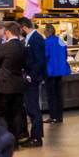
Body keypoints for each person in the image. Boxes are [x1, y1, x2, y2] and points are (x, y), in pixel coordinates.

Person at [0, 21, 27, 141]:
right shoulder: (23, 46)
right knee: (16, 114)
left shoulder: (4, 47)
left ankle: (5, 140)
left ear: (8, 32)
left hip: (4, 85)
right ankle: (16, 138)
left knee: (3, 114)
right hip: (18, 84)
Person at [20, 17, 47, 146]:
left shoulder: (36, 38)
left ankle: (37, 138)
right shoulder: (31, 38)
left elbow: (40, 60)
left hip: (33, 78)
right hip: (31, 76)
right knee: (31, 107)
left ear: (23, 28)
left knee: (33, 107)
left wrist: (31, 75)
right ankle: (35, 136)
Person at [43, 24, 71, 123]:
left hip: (50, 71)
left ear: (47, 32)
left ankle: (53, 116)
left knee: (51, 94)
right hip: (60, 70)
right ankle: (59, 116)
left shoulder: (46, 42)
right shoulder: (61, 41)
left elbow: (45, 56)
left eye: (44, 31)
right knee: (59, 94)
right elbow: (65, 55)